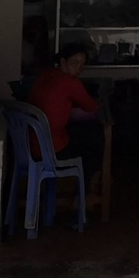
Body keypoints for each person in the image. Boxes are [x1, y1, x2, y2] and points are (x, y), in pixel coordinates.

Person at [26, 43, 104, 181]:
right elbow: (91, 107)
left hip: (31, 146)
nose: (79, 69)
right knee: (94, 142)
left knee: (77, 132)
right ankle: (84, 193)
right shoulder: (70, 82)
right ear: (63, 62)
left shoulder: (45, 75)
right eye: (74, 63)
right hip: (52, 150)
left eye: (82, 65)